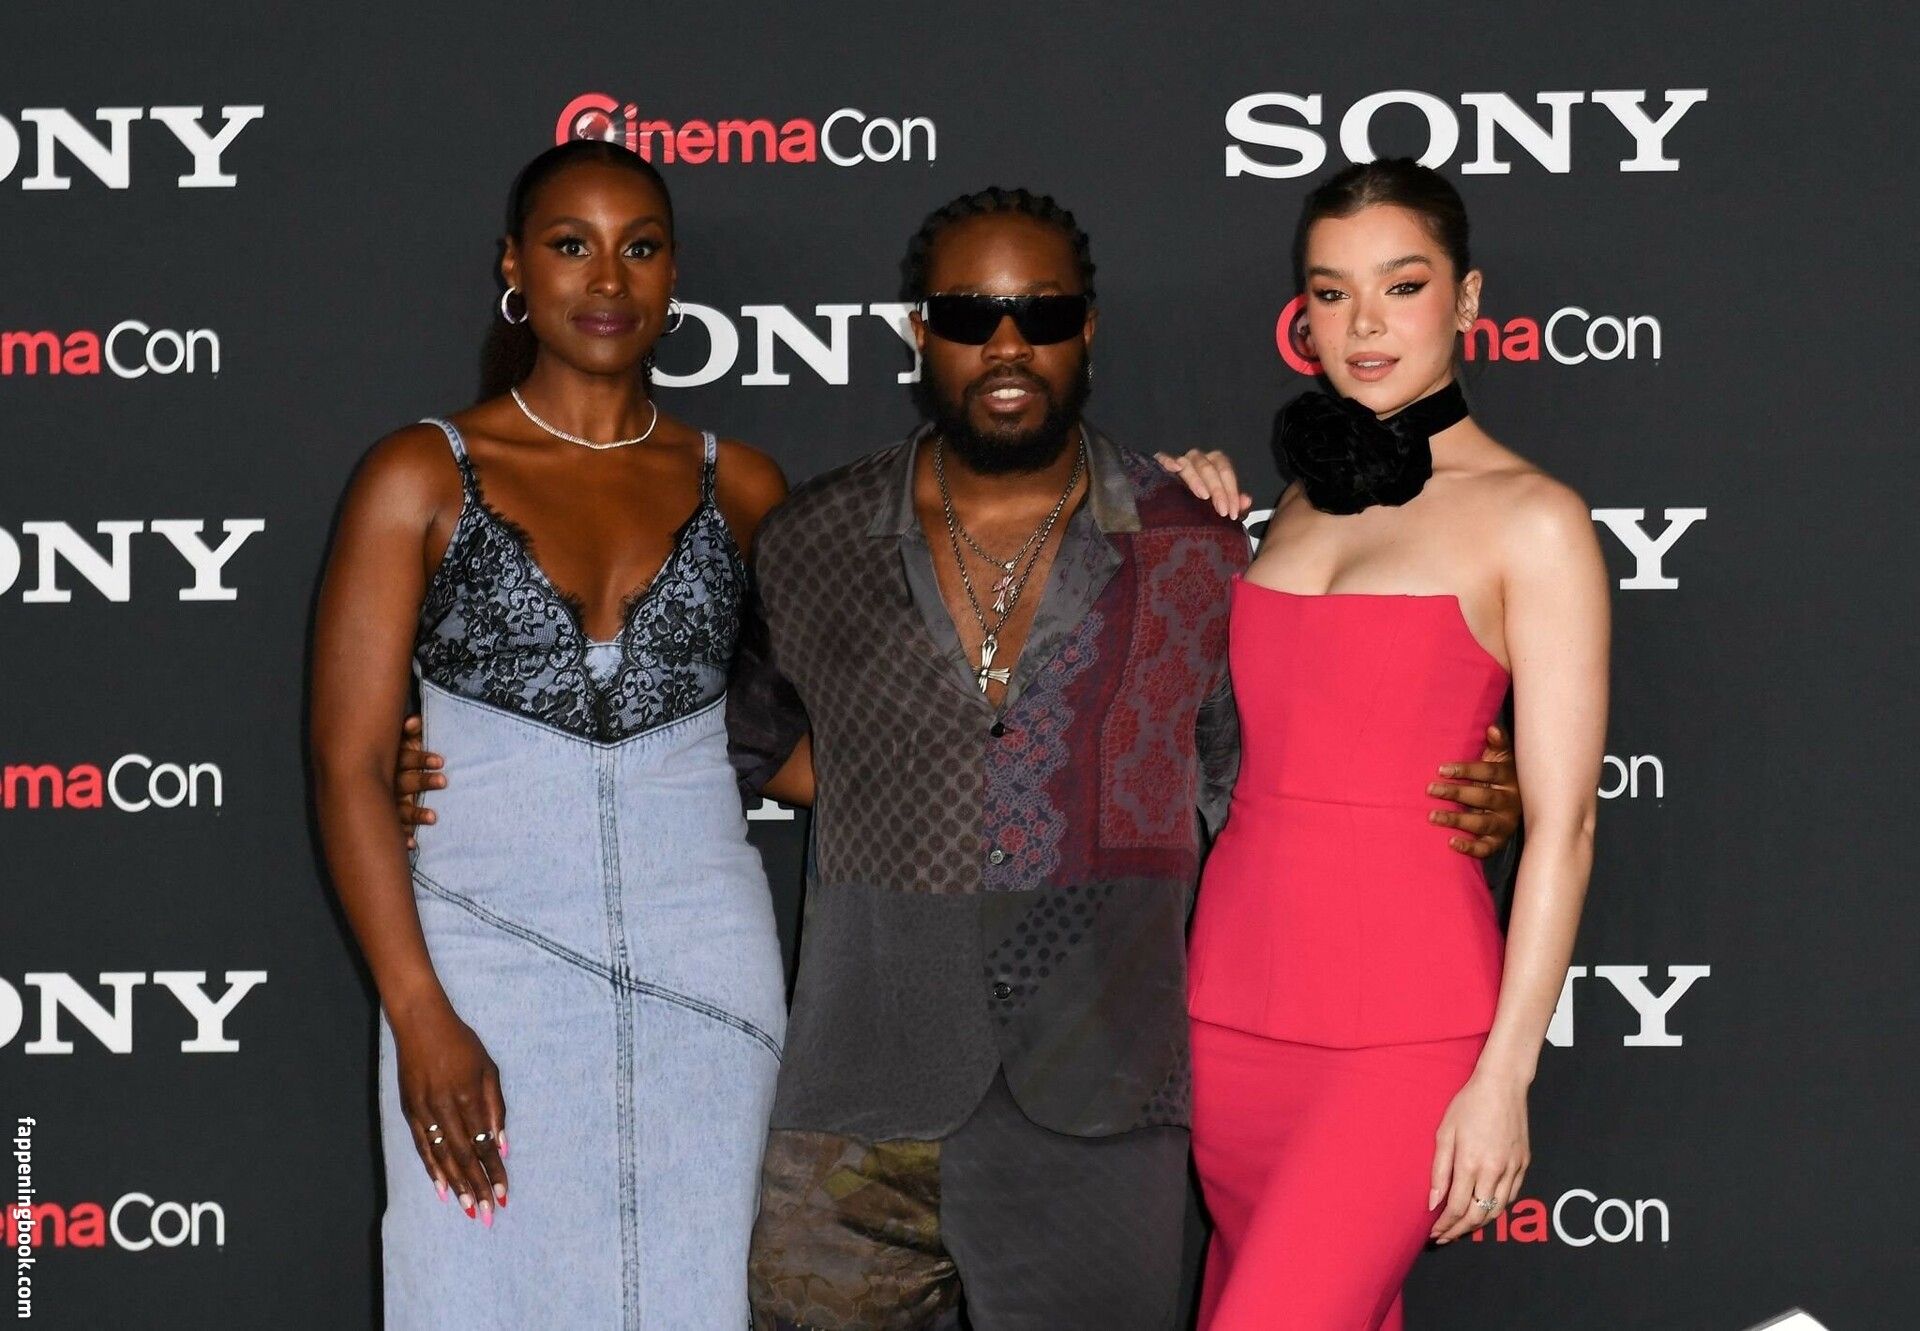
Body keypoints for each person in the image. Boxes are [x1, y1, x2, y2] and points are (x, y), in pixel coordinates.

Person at [724, 186, 1522, 1331]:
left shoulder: (1192, 543)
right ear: (919, 331)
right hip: (859, 1094)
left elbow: (1276, 782)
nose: (1008, 344)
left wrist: (1465, 789)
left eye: (1044, 313)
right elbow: (731, 749)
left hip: (1100, 1103)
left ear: (1089, 328)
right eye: (971, 313)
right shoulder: (814, 537)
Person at [309, 139, 790, 1329]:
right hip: (483, 959)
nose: (608, 278)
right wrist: (419, 1009)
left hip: (706, 962)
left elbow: (801, 742)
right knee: (472, 1280)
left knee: (701, 1285)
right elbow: (349, 763)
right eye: (572, 245)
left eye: (640, 247)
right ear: (515, 268)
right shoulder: (422, 472)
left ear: (673, 271)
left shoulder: (743, 487)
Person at [1183, 159, 1610, 1330]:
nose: (1364, 322)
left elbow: (1565, 825)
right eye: (1332, 292)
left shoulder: (1535, 518)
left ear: (1467, 299)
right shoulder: (1289, 503)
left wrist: (1505, 1075)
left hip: (1404, 1030)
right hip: (1229, 1013)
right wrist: (1163, 502)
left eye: (1402, 285)